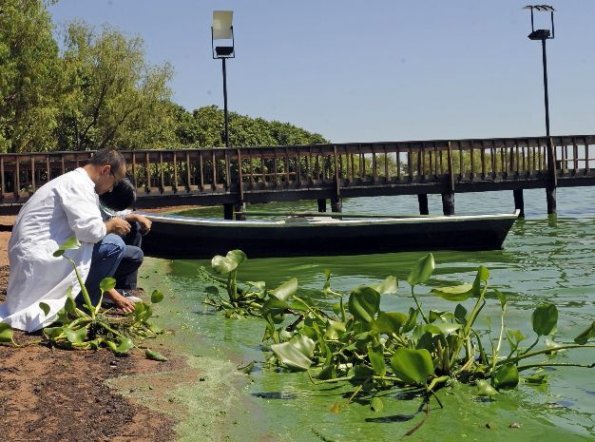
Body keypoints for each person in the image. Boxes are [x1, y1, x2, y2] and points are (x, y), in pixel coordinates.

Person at [0, 148, 139, 332]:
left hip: (35, 254)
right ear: (106, 170)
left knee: (123, 250)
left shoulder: (73, 181)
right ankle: (85, 302)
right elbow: (90, 231)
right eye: (114, 181)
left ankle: (95, 295)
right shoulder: (79, 185)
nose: (111, 188)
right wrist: (111, 225)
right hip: (41, 257)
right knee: (115, 245)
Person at [98, 177, 152, 294]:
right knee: (136, 255)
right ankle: (105, 289)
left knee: (134, 227)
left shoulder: (103, 198)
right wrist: (110, 226)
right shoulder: (91, 202)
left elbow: (114, 214)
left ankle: (126, 287)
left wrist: (136, 217)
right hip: (90, 253)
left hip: (103, 243)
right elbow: (89, 233)